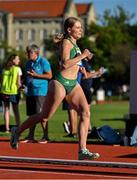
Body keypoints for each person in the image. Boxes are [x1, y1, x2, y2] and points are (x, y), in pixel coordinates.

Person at [10, 17, 100, 160]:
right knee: (44, 116)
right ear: (69, 30)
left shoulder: (75, 44)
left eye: (81, 27)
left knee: (85, 112)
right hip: (60, 83)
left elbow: (74, 63)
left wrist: (85, 57)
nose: (80, 30)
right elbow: (64, 64)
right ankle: (17, 131)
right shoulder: (66, 42)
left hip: (73, 84)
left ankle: (82, 150)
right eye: (77, 27)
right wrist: (82, 55)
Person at [63, 51, 104, 137]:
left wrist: (94, 74)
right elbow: (85, 76)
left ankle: (78, 130)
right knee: (76, 110)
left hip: (75, 86)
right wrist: (96, 73)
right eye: (90, 54)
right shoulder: (81, 61)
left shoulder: (84, 63)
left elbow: (85, 74)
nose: (92, 56)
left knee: (79, 110)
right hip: (75, 86)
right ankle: (75, 130)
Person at [21, 44, 52, 143]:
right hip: (30, 91)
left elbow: (49, 76)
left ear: (36, 53)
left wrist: (36, 75)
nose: (28, 54)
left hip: (41, 91)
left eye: (30, 52)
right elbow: (28, 77)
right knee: (31, 115)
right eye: (27, 52)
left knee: (41, 115)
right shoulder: (28, 63)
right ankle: (30, 136)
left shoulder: (43, 61)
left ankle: (45, 136)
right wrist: (23, 83)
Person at [0, 54, 22, 133]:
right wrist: (21, 88)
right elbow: (18, 83)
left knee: (6, 110)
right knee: (16, 111)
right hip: (14, 92)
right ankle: (19, 128)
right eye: (18, 59)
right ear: (13, 60)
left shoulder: (4, 69)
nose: (19, 60)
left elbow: (1, 81)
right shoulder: (17, 69)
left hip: (4, 91)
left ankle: (7, 129)